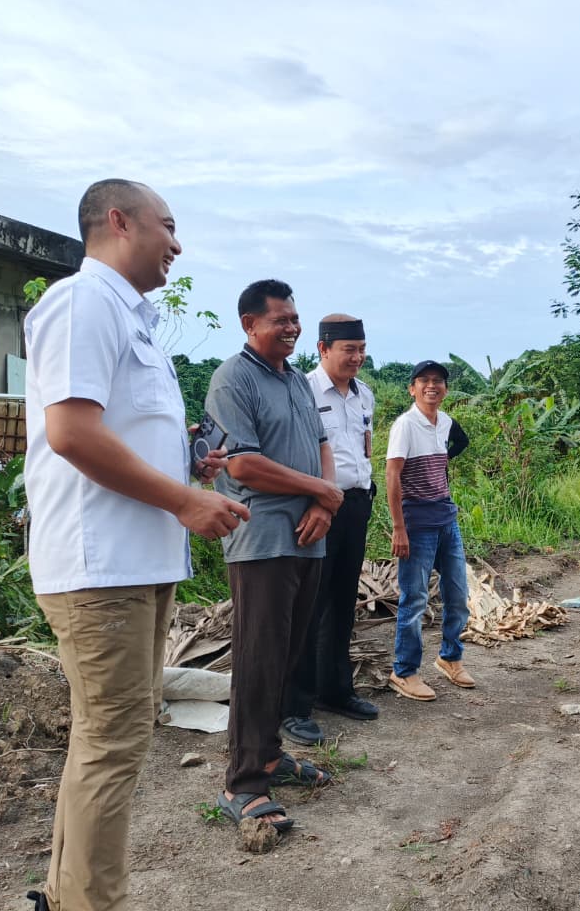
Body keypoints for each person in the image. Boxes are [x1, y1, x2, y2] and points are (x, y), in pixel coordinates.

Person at [23, 179, 249, 911]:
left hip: (136, 562)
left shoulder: (132, 319)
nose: (177, 244)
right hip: (101, 566)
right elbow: (71, 433)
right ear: (119, 222)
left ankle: (65, 895)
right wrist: (184, 501)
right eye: (168, 226)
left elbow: (114, 429)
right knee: (112, 745)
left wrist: (185, 464)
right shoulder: (83, 302)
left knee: (106, 741)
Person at [205, 279, 344, 832]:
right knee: (259, 658)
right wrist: (321, 491)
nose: (292, 327)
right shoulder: (232, 379)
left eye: (294, 318)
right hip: (261, 538)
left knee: (287, 653)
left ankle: (268, 755)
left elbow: (323, 446)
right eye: (279, 319)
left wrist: (325, 503)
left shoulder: (296, 381)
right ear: (249, 324)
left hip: (308, 535)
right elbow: (241, 464)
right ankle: (242, 783)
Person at [280, 314, 381, 745]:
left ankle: (335, 690)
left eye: (361, 349)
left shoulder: (364, 395)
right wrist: (317, 501)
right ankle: (293, 706)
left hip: (356, 505)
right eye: (348, 349)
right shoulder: (301, 390)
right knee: (307, 604)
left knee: (342, 601)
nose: (357, 357)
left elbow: (363, 448)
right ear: (323, 349)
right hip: (317, 508)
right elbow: (293, 453)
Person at [385, 360, 472, 701]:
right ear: (412, 388)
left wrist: (444, 464)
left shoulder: (446, 422)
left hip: (446, 518)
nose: (431, 386)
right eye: (424, 380)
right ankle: (404, 671)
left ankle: (450, 657)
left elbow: (456, 447)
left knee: (458, 596)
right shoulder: (405, 425)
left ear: (445, 389)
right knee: (415, 600)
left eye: (438, 381)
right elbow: (392, 475)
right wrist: (399, 527)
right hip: (417, 522)